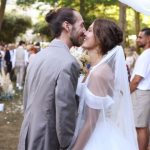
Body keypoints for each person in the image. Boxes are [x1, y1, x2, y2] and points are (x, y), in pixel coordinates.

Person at [18, 7, 85, 150]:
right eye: (82, 25)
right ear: (67, 26)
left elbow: (26, 99)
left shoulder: (37, 57)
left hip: (27, 133)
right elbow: (65, 113)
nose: (84, 31)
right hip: (48, 139)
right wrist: (67, 144)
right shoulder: (69, 63)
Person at [68, 19, 138, 150]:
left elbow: (91, 121)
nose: (84, 33)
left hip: (96, 138)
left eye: (89, 30)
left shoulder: (99, 73)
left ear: (100, 38)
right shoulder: (96, 69)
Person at [130, 28, 150, 150]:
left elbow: (137, 79)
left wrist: (127, 92)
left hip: (141, 94)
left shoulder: (146, 55)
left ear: (148, 38)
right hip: (145, 93)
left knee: (140, 126)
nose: (137, 40)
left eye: (140, 37)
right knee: (143, 126)